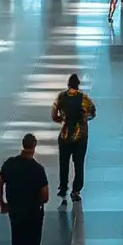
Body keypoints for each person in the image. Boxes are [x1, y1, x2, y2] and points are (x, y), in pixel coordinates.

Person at [0, 134, 49, 245]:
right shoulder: (37, 169)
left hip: (15, 212)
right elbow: (45, 196)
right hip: (33, 214)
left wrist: (2, 202)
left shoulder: (10, 163)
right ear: (35, 146)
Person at [51, 74, 96, 203]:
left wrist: (61, 119)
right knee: (79, 164)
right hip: (80, 137)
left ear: (68, 85)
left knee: (64, 163)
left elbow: (54, 114)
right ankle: (76, 191)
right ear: (78, 85)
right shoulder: (83, 98)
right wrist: (84, 119)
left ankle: (63, 187)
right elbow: (93, 112)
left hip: (65, 136)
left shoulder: (61, 97)